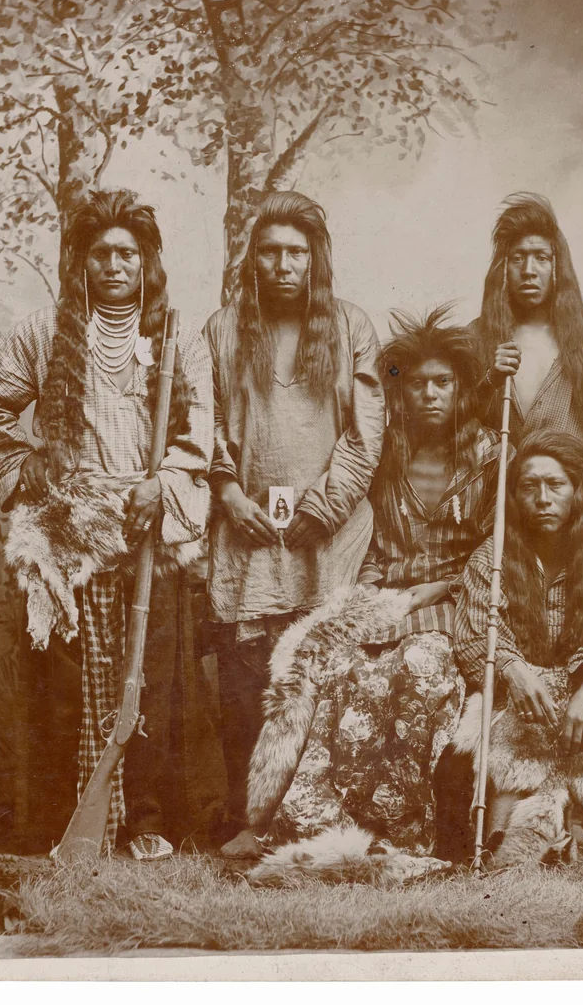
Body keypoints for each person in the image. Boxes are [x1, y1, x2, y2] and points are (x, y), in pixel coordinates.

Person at [0, 190, 215, 859]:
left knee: (148, 678)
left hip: (144, 530)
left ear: (146, 262)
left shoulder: (174, 335)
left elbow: (202, 431)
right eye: (100, 254)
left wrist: (164, 483)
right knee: (64, 683)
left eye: (126, 254)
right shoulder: (43, 332)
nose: (113, 266)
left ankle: (146, 823)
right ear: (81, 263)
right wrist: (28, 477)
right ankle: (61, 823)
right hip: (68, 534)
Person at [229, 306, 513, 862]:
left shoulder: (489, 454)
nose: (430, 395)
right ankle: (293, 822)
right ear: (399, 394)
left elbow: (498, 547)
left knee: (418, 665)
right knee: (328, 664)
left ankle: (397, 830)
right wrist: (368, 601)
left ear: (460, 389)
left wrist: (446, 586)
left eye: (443, 383)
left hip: (461, 604)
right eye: (418, 385)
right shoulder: (386, 454)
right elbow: (373, 540)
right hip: (385, 596)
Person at [204, 191, 385, 847]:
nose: (283, 266)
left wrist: (324, 507)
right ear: (252, 260)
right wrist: (226, 493)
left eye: (296, 254)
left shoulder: (348, 327)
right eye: (271, 252)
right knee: (246, 678)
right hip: (247, 530)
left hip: (325, 535)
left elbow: (365, 432)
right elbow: (210, 423)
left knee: (320, 671)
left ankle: (313, 820)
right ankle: (248, 821)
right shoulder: (222, 330)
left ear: (315, 262)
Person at [453, 430, 583, 879]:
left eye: (555, 485)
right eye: (529, 486)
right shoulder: (493, 557)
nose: (542, 498)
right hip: (523, 692)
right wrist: (510, 667)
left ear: (579, 491)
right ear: (515, 496)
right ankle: (511, 845)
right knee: (508, 734)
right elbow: (475, 630)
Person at [471, 193, 583, 553]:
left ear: (557, 267)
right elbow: (448, 431)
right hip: (490, 517)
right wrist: (487, 380)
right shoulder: (474, 341)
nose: (529, 270)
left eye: (541, 258)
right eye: (517, 258)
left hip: (570, 515)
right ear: (502, 267)